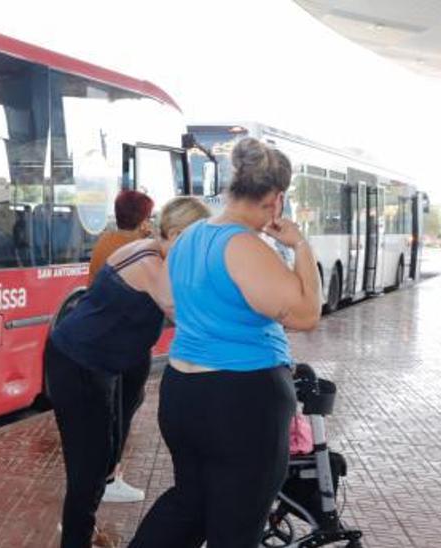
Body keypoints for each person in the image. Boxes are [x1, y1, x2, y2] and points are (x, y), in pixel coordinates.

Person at [132, 138, 322, 548]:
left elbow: (172, 303)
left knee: (190, 503)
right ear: (276, 199)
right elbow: (307, 314)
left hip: (183, 391)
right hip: (241, 400)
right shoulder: (244, 246)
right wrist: (300, 246)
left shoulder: (189, 237)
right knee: (237, 525)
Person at [46, 197, 211, 548]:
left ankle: (85, 533)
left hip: (97, 364)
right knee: (88, 469)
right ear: (179, 234)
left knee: (103, 458)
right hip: (77, 362)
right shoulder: (151, 264)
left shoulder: (154, 250)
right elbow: (189, 316)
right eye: (200, 241)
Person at [84, 190, 156, 505]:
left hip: (104, 338)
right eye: (149, 217)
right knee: (123, 409)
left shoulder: (105, 242)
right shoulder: (139, 249)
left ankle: (107, 474)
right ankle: (110, 477)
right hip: (126, 341)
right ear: (142, 220)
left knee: (113, 408)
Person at [89, 190, 155, 278]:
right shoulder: (141, 252)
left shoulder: (105, 239)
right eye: (149, 217)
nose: (151, 222)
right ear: (143, 223)